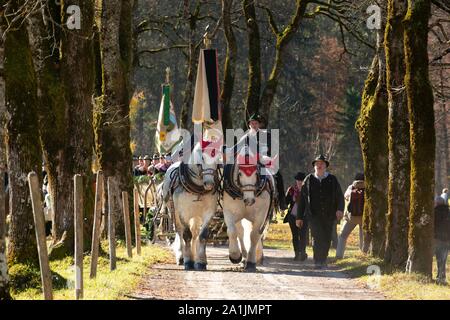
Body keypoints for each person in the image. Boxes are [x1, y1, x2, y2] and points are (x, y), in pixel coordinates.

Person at [296, 154, 344, 269]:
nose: (319, 165)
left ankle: (323, 259)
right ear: (314, 166)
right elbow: (302, 200)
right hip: (313, 215)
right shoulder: (308, 180)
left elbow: (340, 197)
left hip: (329, 214)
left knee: (327, 237)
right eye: (317, 164)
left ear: (325, 166)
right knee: (316, 237)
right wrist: (299, 217)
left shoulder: (332, 179)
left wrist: (340, 209)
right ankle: (318, 261)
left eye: (321, 163)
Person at [231, 112, 287, 210]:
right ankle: (232, 196)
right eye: (252, 123)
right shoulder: (245, 137)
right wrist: (225, 150)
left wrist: (269, 158)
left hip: (264, 162)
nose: (254, 125)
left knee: (278, 175)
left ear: (259, 124)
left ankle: (281, 201)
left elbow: (273, 149)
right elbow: (235, 149)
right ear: (249, 125)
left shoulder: (267, 135)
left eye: (256, 123)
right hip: (250, 164)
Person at [336, 173, 365, 259]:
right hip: (363, 217)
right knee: (362, 237)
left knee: (342, 235)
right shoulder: (368, 188)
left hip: (351, 217)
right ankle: (363, 255)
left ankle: (339, 255)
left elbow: (346, 196)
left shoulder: (351, 187)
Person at [284, 172, 308, 261]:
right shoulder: (291, 190)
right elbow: (286, 202)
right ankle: (296, 253)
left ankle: (302, 253)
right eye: (298, 180)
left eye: (301, 180)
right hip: (293, 216)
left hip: (304, 216)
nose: (299, 182)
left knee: (303, 235)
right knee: (295, 235)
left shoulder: (307, 190)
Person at [434, 196, 450, 285]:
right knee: (443, 259)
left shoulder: (435, 212)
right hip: (447, 239)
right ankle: (442, 277)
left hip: (438, 238)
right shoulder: (448, 212)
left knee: (439, 259)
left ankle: (440, 277)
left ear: (436, 203)